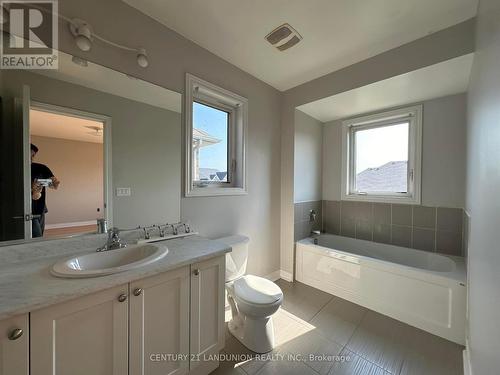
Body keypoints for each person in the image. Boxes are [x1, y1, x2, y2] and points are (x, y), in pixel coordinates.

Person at [31, 143, 60, 237]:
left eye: (33, 155)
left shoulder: (41, 168)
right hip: (25, 210)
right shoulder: (14, 169)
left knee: (39, 236)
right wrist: (32, 189)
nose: (31, 158)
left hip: (40, 208)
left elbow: (55, 184)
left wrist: (54, 183)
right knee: (37, 237)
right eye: (29, 154)